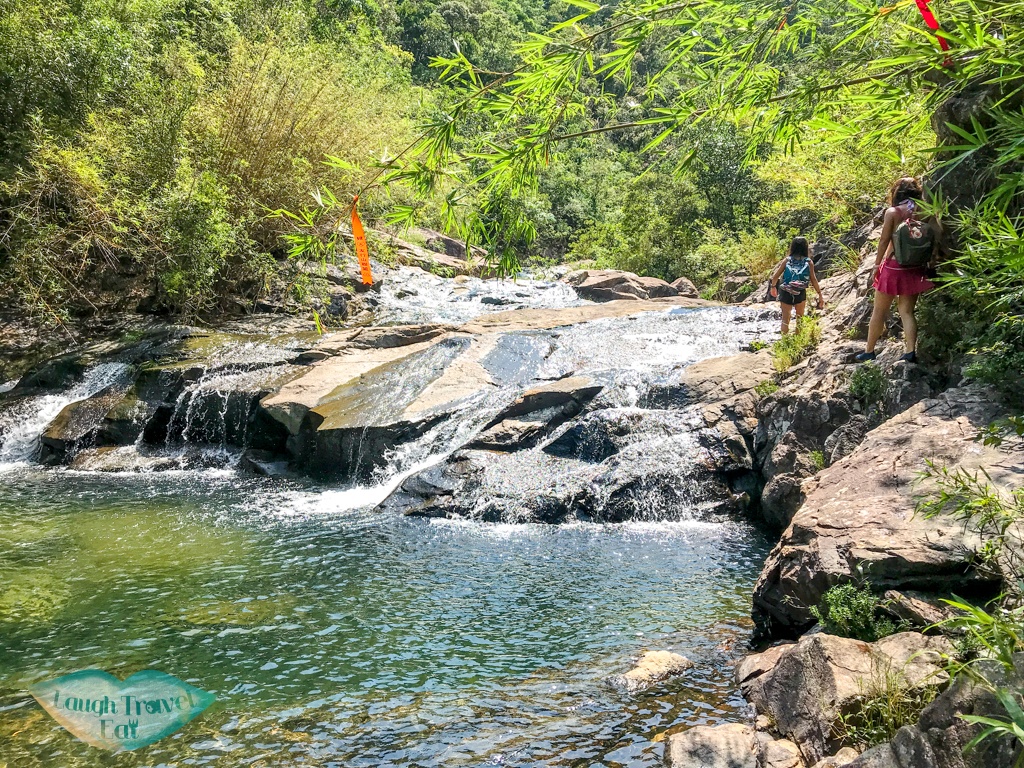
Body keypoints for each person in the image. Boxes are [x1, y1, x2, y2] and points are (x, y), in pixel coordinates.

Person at [855, 177, 942, 363]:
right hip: (915, 267)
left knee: (879, 311)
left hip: (894, 267)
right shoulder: (925, 210)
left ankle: (869, 351)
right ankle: (910, 352)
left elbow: (884, 240)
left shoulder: (893, 212)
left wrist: (877, 264)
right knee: (907, 312)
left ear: (897, 192)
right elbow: (935, 236)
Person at [769, 236, 824, 334]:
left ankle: (784, 342)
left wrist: (773, 287)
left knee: (785, 319)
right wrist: (819, 294)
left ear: (792, 247)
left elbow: (775, 276)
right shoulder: (808, 262)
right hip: (800, 290)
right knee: (800, 318)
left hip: (785, 289)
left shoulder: (787, 260)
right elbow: (813, 279)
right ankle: (798, 340)